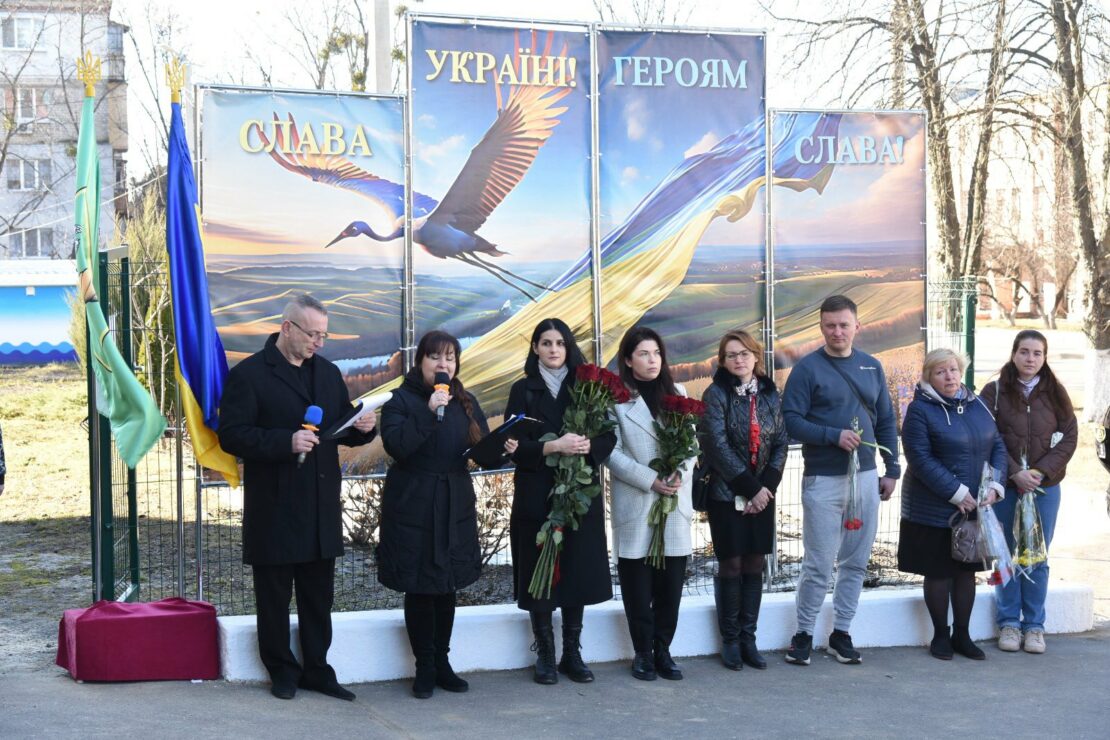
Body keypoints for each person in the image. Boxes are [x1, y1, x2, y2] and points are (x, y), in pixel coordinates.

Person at [218, 294, 378, 701]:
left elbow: (340, 425)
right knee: (273, 595)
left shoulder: (326, 373)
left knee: (318, 596)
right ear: (287, 327)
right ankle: (282, 671)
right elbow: (233, 435)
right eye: (313, 334)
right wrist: (284, 442)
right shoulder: (251, 374)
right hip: (274, 504)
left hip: (321, 501)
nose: (319, 343)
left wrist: (364, 427)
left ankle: (318, 670)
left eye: (324, 335)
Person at [780, 294, 901, 666]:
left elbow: (885, 420)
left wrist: (891, 469)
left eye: (844, 325)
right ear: (821, 327)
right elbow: (792, 421)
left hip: (866, 478)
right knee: (818, 562)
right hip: (823, 481)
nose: (837, 331)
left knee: (856, 560)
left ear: (857, 327)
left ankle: (842, 632)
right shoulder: (806, 370)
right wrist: (832, 435)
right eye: (830, 325)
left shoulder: (872, 367)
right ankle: (803, 633)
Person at [377, 330, 494, 698]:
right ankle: (423, 666)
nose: (443, 365)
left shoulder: (465, 400)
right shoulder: (399, 401)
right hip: (413, 504)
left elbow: (483, 450)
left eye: (450, 358)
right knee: (420, 585)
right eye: (435, 357)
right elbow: (398, 446)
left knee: (446, 586)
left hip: (454, 501)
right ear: (420, 361)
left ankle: (442, 662)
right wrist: (428, 414)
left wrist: (504, 446)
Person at [502, 319, 616, 685]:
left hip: (578, 495)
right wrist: (553, 446)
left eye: (560, 343)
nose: (553, 350)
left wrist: (587, 447)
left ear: (569, 348)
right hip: (537, 495)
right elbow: (513, 446)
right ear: (535, 348)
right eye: (546, 343)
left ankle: (572, 652)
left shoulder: (586, 387)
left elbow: (608, 436)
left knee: (576, 570)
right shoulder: (523, 389)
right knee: (540, 572)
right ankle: (546, 654)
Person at [898, 349, 1007, 660]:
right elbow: (919, 458)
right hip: (935, 508)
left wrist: (996, 485)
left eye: (953, 370)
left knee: (965, 573)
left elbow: (998, 444)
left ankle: (963, 635)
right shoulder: (919, 410)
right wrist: (956, 492)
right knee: (939, 572)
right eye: (940, 372)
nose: (949, 377)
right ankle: (940, 636)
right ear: (928, 376)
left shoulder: (976, 404)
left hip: (975, 506)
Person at [980, 329, 1077, 654]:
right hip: (1006, 489)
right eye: (1024, 352)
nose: (1030, 359)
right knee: (1006, 555)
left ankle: (1034, 626)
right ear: (1014, 353)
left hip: (1044, 489)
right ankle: (1008, 623)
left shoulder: (1056, 394)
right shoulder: (994, 392)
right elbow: (986, 436)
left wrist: (1039, 472)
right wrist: (1014, 473)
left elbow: (1068, 438)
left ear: (1044, 357)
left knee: (1037, 556)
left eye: (1037, 353)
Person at [607, 326, 696, 681]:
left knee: (671, 586)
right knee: (637, 585)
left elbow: (692, 447)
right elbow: (610, 454)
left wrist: (678, 475)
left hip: (674, 503)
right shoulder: (616, 401)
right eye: (643, 354)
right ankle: (642, 652)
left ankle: (663, 649)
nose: (652, 360)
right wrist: (650, 479)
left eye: (656, 353)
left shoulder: (680, 394)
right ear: (628, 360)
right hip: (638, 502)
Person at [699, 329, 787, 671]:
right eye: (731, 354)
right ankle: (730, 640)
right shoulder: (716, 394)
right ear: (722, 360)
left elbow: (780, 440)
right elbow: (715, 446)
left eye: (744, 353)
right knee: (732, 564)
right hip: (727, 493)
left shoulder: (768, 393)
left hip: (762, 495)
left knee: (755, 564)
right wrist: (752, 488)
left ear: (756, 356)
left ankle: (749, 639)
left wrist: (766, 488)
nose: (739, 359)